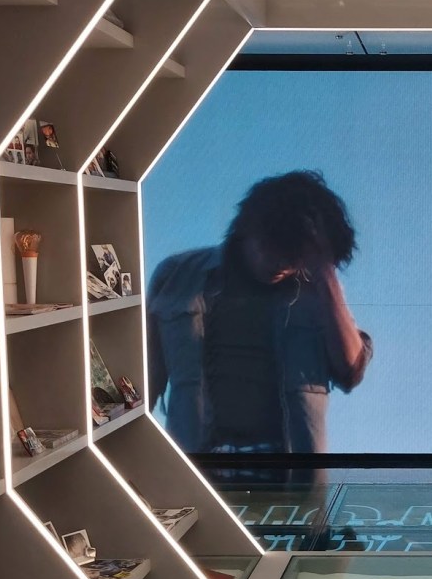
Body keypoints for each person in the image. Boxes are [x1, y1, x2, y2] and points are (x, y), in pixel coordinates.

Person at [147, 170, 373, 456]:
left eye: (294, 255)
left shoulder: (318, 296)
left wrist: (325, 271)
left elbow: (350, 370)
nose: (281, 263)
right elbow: (145, 382)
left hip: (286, 475)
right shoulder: (177, 276)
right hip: (193, 467)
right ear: (248, 229)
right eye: (274, 247)